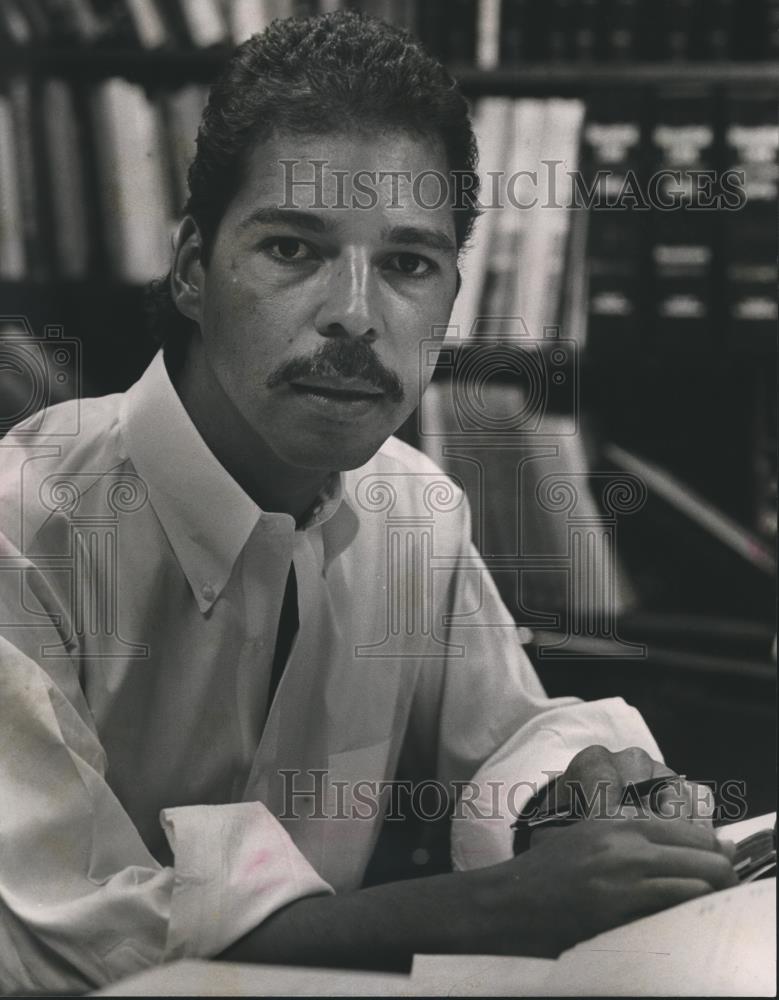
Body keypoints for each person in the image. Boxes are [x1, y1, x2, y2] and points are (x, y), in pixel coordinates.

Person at [0, 11, 735, 993]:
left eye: (406, 262)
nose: (355, 312)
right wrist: (498, 906)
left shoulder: (413, 508)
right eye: (293, 249)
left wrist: (558, 798)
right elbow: (63, 937)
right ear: (188, 268)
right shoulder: (26, 527)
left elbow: (506, 737)